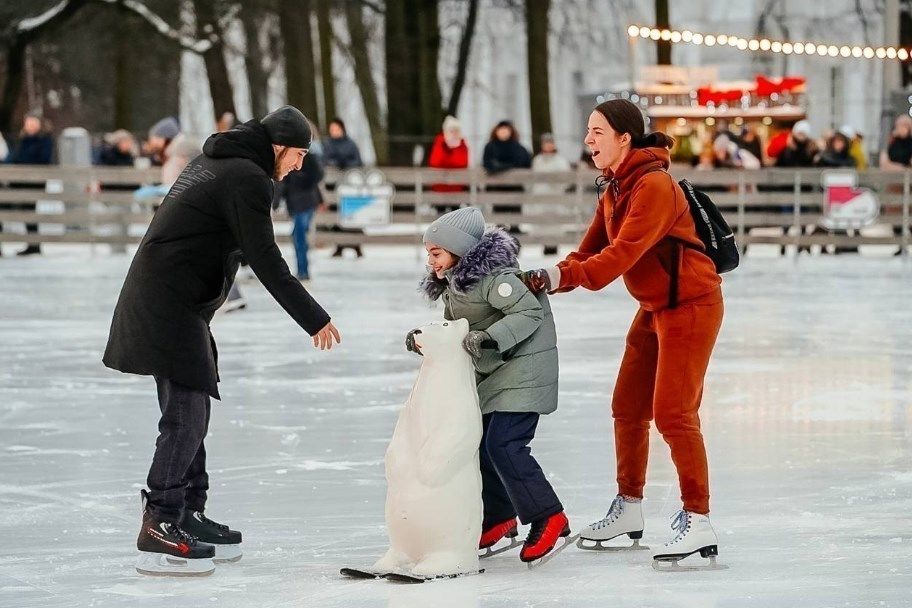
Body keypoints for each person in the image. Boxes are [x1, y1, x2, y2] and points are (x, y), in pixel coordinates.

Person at [103, 105, 342, 577]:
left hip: (175, 301)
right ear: (278, 147)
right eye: (297, 155)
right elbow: (265, 258)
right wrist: (313, 317)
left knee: (195, 409)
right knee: (186, 414)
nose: (298, 166)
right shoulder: (247, 178)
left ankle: (188, 511)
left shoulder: (218, 163)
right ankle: (161, 520)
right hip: (167, 303)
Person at [522, 99, 725, 569]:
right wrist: (548, 274)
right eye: (587, 131)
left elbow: (620, 257)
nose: (588, 140)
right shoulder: (614, 188)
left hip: (691, 306)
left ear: (624, 138)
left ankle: (698, 519)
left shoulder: (654, 187)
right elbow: (589, 251)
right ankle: (629, 508)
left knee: (673, 412)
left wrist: (562, 277)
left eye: (597, 132)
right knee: (628, 407)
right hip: (655, 307)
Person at [408, 207, 568, 564]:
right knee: (481, 444)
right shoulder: (455, 285)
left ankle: (548, 515)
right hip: (497, 373)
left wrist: (491, 338)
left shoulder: (497, 278)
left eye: (436, 252)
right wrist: (424, 340)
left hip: (526, 369)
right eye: (428, 254)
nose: (430, 261)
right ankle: (498, 518)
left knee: (505, 444)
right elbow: (455, 332)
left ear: (459, 249)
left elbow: (529, 313)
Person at [280, 123, 325, 281]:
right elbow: (283, 182)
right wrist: (277, 200)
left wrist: (306, 185)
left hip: (305, 201)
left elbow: (317, 175)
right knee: (298, 235)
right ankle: (302, 269)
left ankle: (303, 270)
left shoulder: (308, 156)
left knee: (299, 235)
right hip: (296, 201)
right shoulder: (288, 155)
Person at [6, 113, 55, 256]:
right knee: (7, 206)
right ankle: (31, 244)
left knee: (29, 210)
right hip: (18, 181)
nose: (30, 126)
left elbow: (43, 159)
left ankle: (34, 245)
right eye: (28, 123)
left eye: (33, 123)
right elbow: (13, 158)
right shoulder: (22, 140)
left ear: (39, 125)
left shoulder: (44, 140)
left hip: (34, 182)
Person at [323, 118, 364, 258]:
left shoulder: (351, 144)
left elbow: (357, 162)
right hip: (334, 187)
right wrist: (335, 163)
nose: (334, 132)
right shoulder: (328, 145)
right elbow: (325, 160)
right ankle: (339, 245)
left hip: (350, 187)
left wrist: (346, 164)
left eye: (336, 129)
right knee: (336, 217)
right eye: (332, 129)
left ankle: (356, 245)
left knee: (353, 216)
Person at [483, 120, 531, 233]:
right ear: (496, 131)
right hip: (496, 187)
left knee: (515, 212)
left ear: (511, 131)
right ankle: (500, 232)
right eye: (501, 129)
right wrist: (506, 166)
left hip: (514, 187)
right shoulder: (490, 146)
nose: (503, 132)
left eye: (506, 130)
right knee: (499, 217)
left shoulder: (518, 147)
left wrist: (501, 166)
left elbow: (524, 162)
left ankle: (515, 229)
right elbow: (488, 164)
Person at [428, 115, 469, 208]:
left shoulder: (462, 144)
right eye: (451, 130)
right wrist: (449, 154)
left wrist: (448, 157)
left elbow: (462, 163)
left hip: (457, 188)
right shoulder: (439, 142)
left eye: (456, 130)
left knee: (455, 215)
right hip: (440, 187)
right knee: (440, 214)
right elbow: (435, 162)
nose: (454, 133)